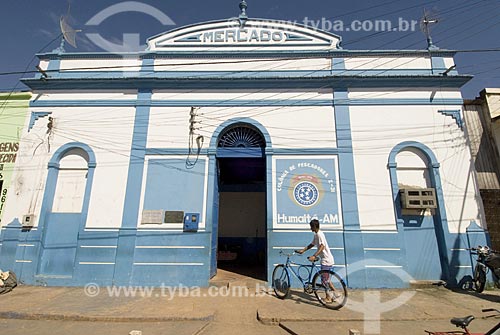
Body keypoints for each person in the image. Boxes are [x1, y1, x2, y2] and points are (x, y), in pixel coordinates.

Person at [296, 219, 340, 302]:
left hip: (326, 260)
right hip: (326, 259)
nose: (310, 228)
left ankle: (329, 297)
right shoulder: (316, 235)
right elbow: (312, 244)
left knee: (324, 280)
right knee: (326, 279)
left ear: (314, 226)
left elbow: (322, 246)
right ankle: (335, 293)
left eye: (311, 226)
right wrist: (303, 250)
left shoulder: (320, 234)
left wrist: (314, 255)